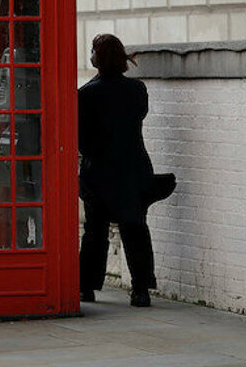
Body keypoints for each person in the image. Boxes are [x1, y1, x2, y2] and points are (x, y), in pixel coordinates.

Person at [78, 34, 157, 307]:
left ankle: (86, 287)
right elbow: (138, 118)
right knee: (135, 229)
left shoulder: (86, 94)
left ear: (96, 59)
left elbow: (81, 137)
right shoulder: (137, 90)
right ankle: (141, 290)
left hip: (98, 171)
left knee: (95, 232)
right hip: (133, 168)